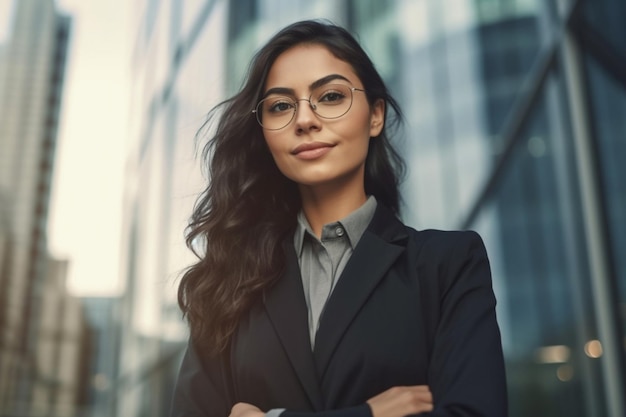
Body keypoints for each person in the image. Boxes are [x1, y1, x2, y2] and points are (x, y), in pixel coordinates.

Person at [170, 20, 507, 417]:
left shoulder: (447, 264)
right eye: (281, 105)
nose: (305, 120)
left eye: (329, 97)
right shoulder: (229, 282)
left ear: (376, 115)